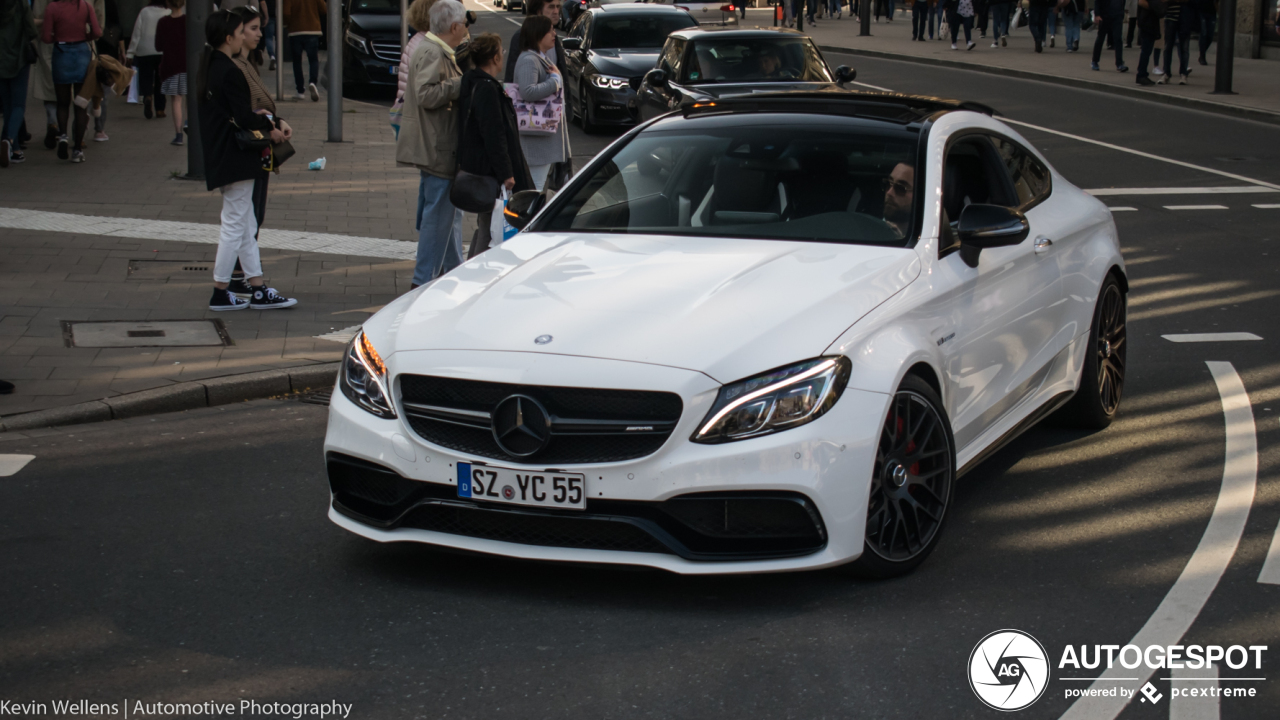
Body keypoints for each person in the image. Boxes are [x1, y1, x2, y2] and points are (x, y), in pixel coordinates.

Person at [198, 9, 297, 311]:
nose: (247, 36)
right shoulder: (228, 70)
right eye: (243, 31)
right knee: (235, 224)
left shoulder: (212, 65)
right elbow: (243, 115)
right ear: (229, 38)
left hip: (226, 154)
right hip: (236, 156)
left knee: (245, 222)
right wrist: (271, 129)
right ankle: (220, 290)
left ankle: (257, 287)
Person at [396, 0, 467, 289]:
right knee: (437, 218)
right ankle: (423, 281)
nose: (466, 29)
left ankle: (451, 272)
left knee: (442, 215)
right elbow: (425, 94)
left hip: (436, 145)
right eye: (464, 24)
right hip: (437, 146)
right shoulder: (433, 52)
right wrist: (461, 85)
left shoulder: (436, 50)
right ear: (454, 26)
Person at [458, 33, 533, 259]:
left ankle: (471, 270)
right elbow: (494, 134)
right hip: (490, 171)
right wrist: (506, 173)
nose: (503, 55)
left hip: (478, 167)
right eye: (501, 51)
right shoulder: (487, 89)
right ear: (493, 58)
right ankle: (476, 274)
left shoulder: (472, 81)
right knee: (491, 227)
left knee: (486, 224)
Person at [514, 14, 570, 192]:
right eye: (550, 31)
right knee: (534, 190)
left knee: (537, 189)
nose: (554, 34)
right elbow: (527, 91)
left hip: (541, 139)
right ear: (538, 34)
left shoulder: (539, 57)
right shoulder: (529, 60)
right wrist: (555, 81)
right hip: (535, 142)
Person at [42, 0, 101, 163]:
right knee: (80, 104)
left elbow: (46, 37)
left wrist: (57, 35)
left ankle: (63, 136)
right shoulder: (85, 6)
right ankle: (77, 149)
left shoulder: (52, 7)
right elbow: (97, 31)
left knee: (62, 102)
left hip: (61, 54)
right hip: (82, 52)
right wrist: (85, 36)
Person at [1, 0, 39, 168]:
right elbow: (31, 30)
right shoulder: (21, 3)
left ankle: (15, 150)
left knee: (7, 105)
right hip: (19, 58)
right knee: (18, 105)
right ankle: (8, 140)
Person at [127, 0, 168, 119]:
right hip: (162, 51)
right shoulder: (168, 12)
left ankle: (147, 96)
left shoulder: (144, 12)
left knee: (146, 76)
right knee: (160, 80)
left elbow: (136, 33)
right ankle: (160, 109)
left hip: (144, 50)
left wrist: (130, 53)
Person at [153, 0, 186, 145]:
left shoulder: (163, 22)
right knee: (190, 99)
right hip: (187, 65)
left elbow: (158, 46)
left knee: (176, 100)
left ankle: (178, 135)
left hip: (171, 66)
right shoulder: (188, 21)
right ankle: (189, 123)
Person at [504, 0, 561, 83]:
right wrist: (554, 83)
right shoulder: (522, 35)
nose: (556, 11)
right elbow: (511, 76)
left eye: (558, 7)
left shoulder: (553, 36)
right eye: (551, 7)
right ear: (538, 11)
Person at [91, 0, 122, 141]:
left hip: (90, 51)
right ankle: (100, 129)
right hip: (108, 54)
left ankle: (80, 131)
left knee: (83, 92)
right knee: (103, 95)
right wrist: (122, 49)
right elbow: (117, 23)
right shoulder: (110, 3)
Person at [283, 0, 324, 101]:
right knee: (313, 59)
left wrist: (286, 24)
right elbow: (323, 9)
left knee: (297, 62)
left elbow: (286, 13)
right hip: (312, 29)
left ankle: (300, 91)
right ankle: (313, 82)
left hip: (295, 31)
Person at [1159, 0, 1191, 83]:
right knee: (1168, 47)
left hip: (1185, 16)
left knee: (1184, 48)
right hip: (1170, 17)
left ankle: (1183, 74)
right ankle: (1166, 73)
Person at [1091, 0, 1128, 71]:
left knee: (1118, 39)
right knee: (1100, 38)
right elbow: (1097, 1)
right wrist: (1097, 14)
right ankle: (1095, 61)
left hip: (1117, 15)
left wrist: (1121, 12)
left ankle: (1119, 63)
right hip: (1105, 15)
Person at [882, 163, 914, 237]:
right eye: (888, 184)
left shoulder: (926, 234)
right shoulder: (865, 228)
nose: (889, 193)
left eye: (900, 188)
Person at [1134, 0, 1161, 84]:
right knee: (1146, 51)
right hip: (1148, 24)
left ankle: (1142, 74)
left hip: (1147, 24)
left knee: (1146, 51)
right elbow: (1159, 10)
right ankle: (1141, 75)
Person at [1192, 0, 1214, 65]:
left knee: (1210, 36)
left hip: (1212, 12)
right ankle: (1202, 56)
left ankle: (1202, 53)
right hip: (1201, 11)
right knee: (1203, 34)